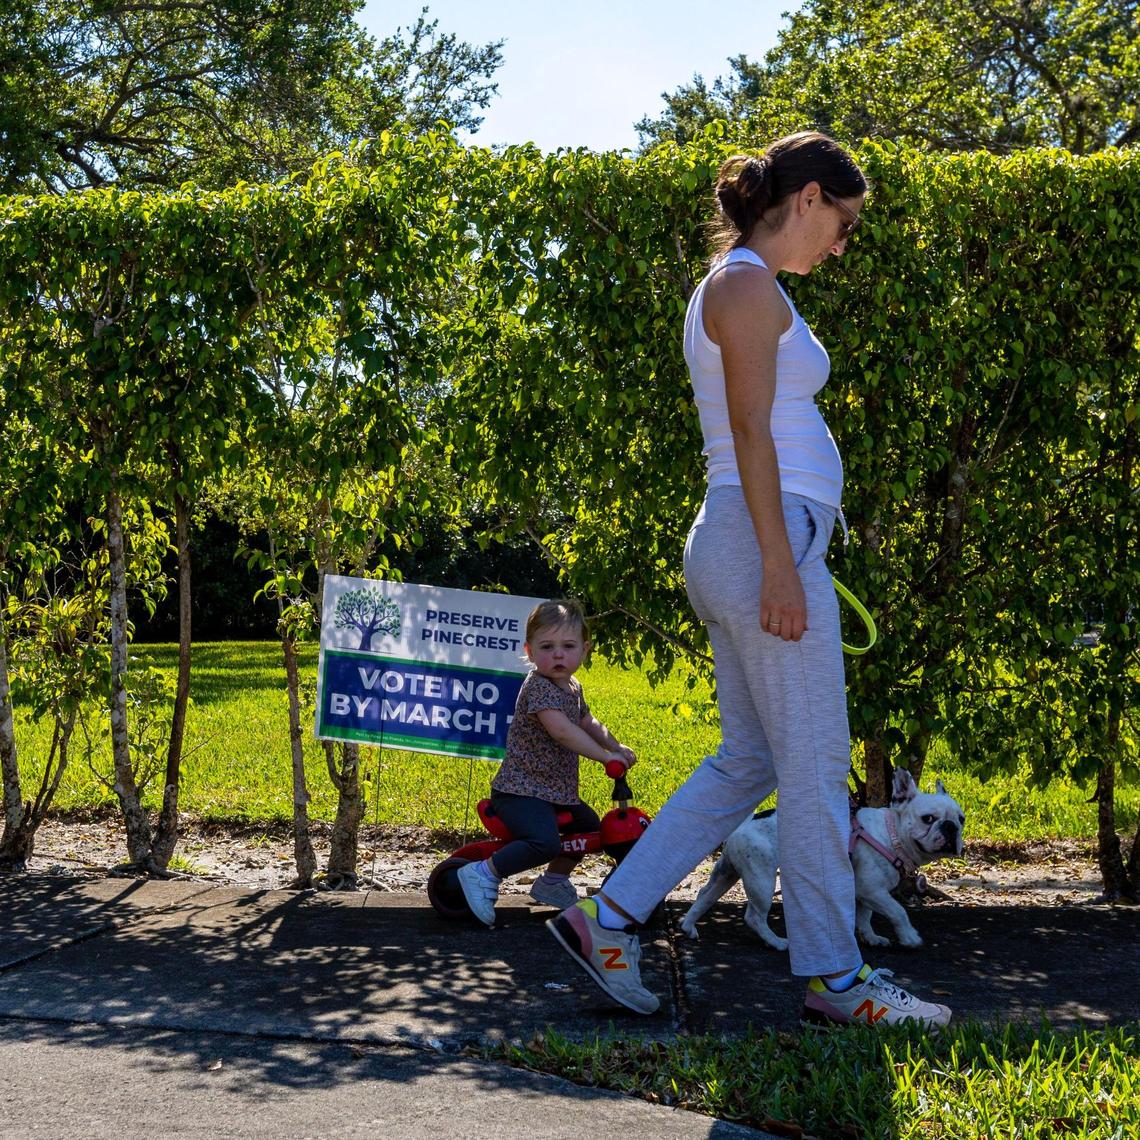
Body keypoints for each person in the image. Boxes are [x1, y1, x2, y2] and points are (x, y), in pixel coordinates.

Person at [547, 131, 951, 1028]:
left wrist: (782, 550)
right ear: (807, 197)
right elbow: (751, 432)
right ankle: (835, 983)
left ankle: (607, 921)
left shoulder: (749, 287)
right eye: (843, 223)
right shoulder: (742, 284)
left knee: (751, 760)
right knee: (811, 772)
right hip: (760, 542)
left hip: (755, 539)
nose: (842, 244)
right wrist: (781, 561)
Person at [457, 599, 637, 926]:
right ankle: (484, 873)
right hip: (520, 791)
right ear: (528, 650)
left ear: (584, 650)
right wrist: (604, 757)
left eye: (567, 646)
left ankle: (552, 883)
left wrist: (617, 747)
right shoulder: (538, 687)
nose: (558, 654)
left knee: (588, 829)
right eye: (547, 646)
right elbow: (563, 732)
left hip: (554, 791)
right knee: (544, 842)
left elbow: (587, 722)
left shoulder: (572, 686)